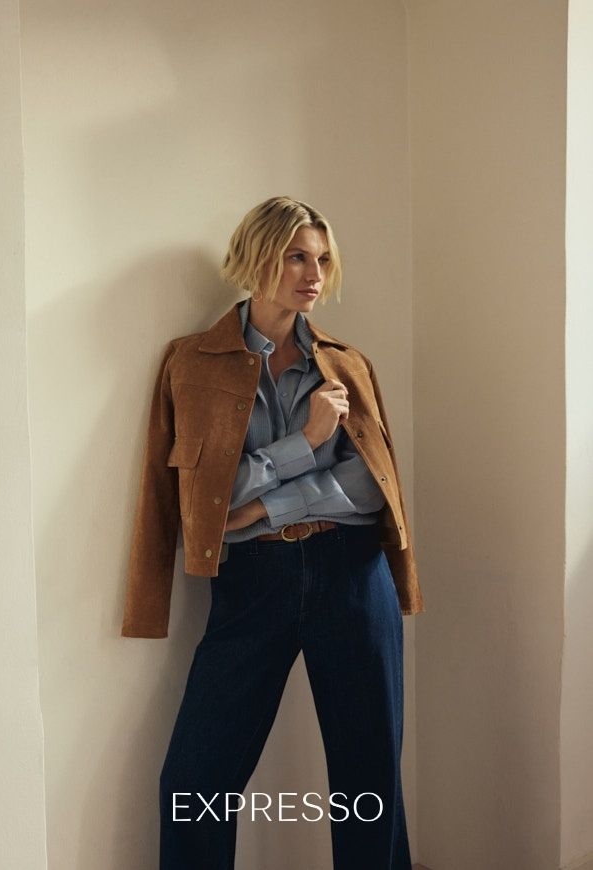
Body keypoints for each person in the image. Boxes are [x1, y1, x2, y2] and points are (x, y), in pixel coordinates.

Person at [121, 195, 425, 869]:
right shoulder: (192, 363)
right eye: (296, 257)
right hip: (251, 582)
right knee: (195, 778)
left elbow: (369, 486)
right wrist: (305, 442)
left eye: (323, 259)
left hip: (351, 573)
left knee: (368, 777)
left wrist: (261, 508)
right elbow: (201, 498)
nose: (314, 275)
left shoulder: (346, 363)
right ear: (256, 256)